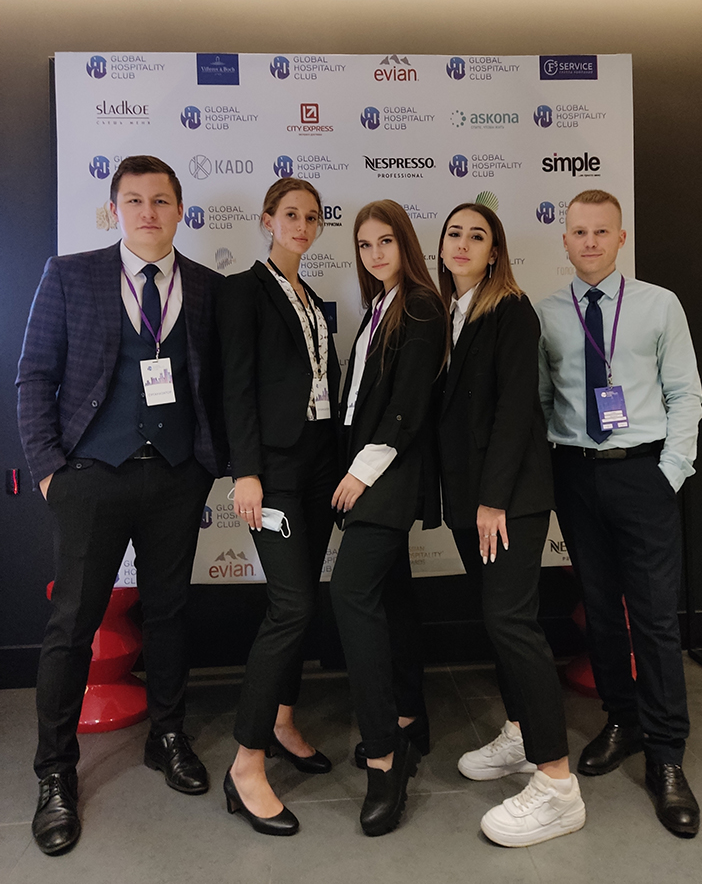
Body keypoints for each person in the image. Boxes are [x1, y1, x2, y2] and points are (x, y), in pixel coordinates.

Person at [16, 155, 227, 856]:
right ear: (114, 211)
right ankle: (55, 772)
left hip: (176, 478)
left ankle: (166, 736)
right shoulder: (70, 275)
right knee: (72, 624)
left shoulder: (206, 287)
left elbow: (219, 385)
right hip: (90, 476)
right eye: (133, 200)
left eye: (160, 200)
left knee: (169, 613)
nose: (147, 212)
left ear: (180, 210)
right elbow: (33, 376)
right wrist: (50, 472)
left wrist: (207, 464)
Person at [536, 189, 702, 837]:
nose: (590, 242)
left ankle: (666, 756)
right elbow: (543, 400)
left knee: (655, 619)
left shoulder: (660, 305)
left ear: (621, 237)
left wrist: (669, 475)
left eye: (601, 231)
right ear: (565, 239)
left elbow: (684, 393)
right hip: (577, 476)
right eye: (579, 232)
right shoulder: (549, 313)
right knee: (602, 612)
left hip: (643, 474)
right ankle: (623, 720)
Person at [437, 202, 585, 847]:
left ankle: (557, 786)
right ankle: (523, 736)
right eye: (454, 233)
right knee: (500, 621)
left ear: (495, 251)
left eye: (478, 236)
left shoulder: (511, 310)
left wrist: (493, 499)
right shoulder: (451, 312)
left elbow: (515, 409)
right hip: (471, 500)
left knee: (513, 624)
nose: (463, 243)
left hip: (507, 501)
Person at [217, 178, 340, 837]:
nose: (302, 225)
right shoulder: (244, 290)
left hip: (319, 465)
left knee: (305, 601)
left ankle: (284, 720)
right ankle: (246, 762)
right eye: (290, 214)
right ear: (267, 220)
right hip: (274, 472)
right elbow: (235, 385)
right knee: (290, 606)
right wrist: (246, 472)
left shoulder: (313, 298)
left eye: (312, 217)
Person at [329, 200, 447, 836]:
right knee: (392, 596)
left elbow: (407, 407)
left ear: (406, 244)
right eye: (364, 244)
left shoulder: (422, 305)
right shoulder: (379, 307)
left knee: (351, 595)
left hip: (387, 474)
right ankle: (408, 720)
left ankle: (384, 758)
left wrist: (360, 472)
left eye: (385, 242)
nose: (375, 254)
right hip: (369, 470)